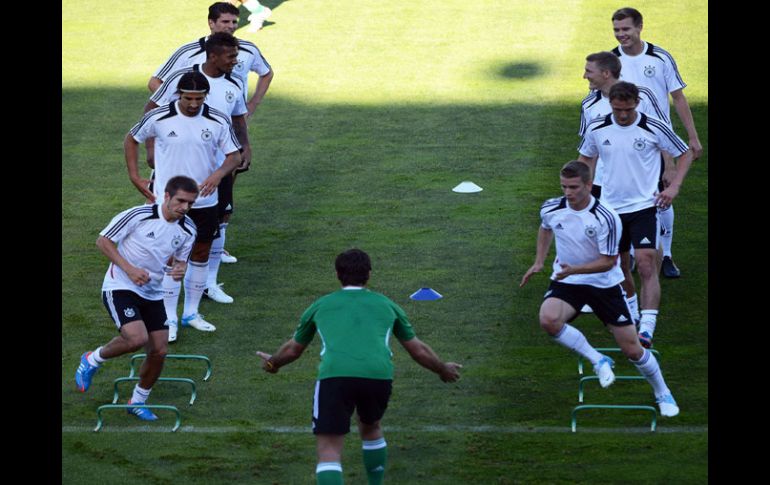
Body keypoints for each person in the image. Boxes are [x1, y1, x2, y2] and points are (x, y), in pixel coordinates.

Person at [256, 249, 462, 485]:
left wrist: (272, 363)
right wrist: (442, 368)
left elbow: (294, 349)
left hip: (335, 377)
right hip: (378, 376)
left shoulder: (321, 305)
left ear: (337, 274)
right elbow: (418, 350)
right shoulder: (388, 305)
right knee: (371, 427)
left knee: (329, 448)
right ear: (369, 275)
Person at [520, 160, 679, 418]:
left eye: (573, 187)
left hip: (603, 285)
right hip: (568, 282)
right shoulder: (552, 207)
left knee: (633, 350)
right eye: (564, 187)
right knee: (548, 319)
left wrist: (573, 270)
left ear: (589, 185)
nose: (568, 193)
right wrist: (539, 261)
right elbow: (545, 227)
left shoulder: (606, 217)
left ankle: (662, 391)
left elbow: (608, 262)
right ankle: (598, 360)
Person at [149, 2, 274, 265]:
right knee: (173, 188)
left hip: (224, 139)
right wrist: (176, 108)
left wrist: (252, 105)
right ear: (211, 23)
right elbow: (155, 82)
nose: (230, 26)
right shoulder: (189, 53)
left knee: (221, 193)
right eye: (225, 22)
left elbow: (265, 74)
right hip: (185, 138)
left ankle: (214, 244)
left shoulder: (246, 51)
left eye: (233, 22)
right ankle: (164, 245)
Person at [125, 71, 242, 342]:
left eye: (198, 98)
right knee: (169, 259)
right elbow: (131, 139)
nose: (193, 103)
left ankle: (191, 313)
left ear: (205, 96)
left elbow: (234, 156)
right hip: (168, 203)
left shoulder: (217, 120)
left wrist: (217, 175)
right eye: (188, 98)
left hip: (205, 202)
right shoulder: (159, 117)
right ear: (179, 94)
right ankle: (169, 319)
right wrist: (134, 175)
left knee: (200, 253)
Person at [577, 81, 693, 349]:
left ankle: (648, 328)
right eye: (618, 109)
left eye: (627, 109)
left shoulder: (653, 126)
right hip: (611, 209)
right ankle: (632, 315)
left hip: (643, 207)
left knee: (645, 263)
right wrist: (584, 193)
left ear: (636, 104)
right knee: (618, 267)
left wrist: (674, 186)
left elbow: (685, 153)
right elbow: (585, 160)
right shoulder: (598, 126)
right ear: (612, 105)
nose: (623, 115)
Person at [74, 176, 199, 421]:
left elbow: (179, 261)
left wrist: (180, 269)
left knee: (159, 350)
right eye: (181, 201)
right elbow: (103, 241)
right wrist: (129, 269)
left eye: (190, 203)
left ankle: (137, 401)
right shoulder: (138, 215)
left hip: (152, 292)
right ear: (166, 196)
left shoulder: (188, 229)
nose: (185, 207)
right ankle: (92, 358)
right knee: (136, 338)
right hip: (120, 285)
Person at [148, 32, 251, 306]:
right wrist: (150, 153)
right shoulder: (185, 79)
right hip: (179, 170)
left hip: (220, 167)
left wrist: (245, 150)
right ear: (213, 55)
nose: (235, 61)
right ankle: (160, 296)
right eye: (230, 56)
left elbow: (239, 119)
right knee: (169, 232)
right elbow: (151, 112)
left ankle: (209, 284)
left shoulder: (234, 83)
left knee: (217, 225)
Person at [611, 7, 703, 278]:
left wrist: (693, 137)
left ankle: (667, 256)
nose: (621, 35)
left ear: (639, 27)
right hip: (626, 141)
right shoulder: (612, 61)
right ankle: (629, 254)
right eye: (616, 30)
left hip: (661, 140)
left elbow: (679, 98)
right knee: (630, 193)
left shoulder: (660, 57)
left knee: (663, 194)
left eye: (626, 29)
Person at [578, 50, 667, 316]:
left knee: (645, 245)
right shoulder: (589, 103)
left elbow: (660, 130)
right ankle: (622, 297)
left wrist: (669, 168)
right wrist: (583, 183)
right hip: (603, 181)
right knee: (608, 247)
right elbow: (586, 146)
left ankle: (651, 279)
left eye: (589, 71)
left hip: (638, 178)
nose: (584, 76)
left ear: (606, 73)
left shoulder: (639, 96)